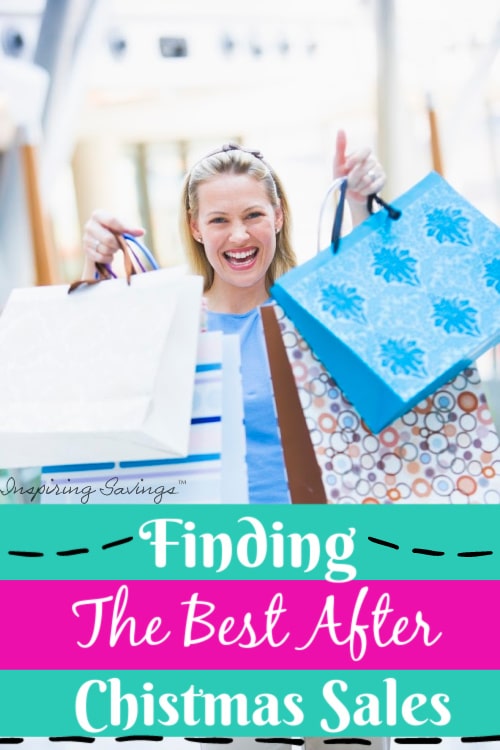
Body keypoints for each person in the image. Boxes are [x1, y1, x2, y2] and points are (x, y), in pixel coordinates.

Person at [81, 129, 386, 505]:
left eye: (253, 215)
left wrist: (357, 205)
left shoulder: (312, 314)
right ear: (196, 227)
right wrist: (95, 266)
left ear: (278, 216)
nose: (239, 235)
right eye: (219, 220)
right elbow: (104, 397)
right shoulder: (174, 320)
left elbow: (381, 317)